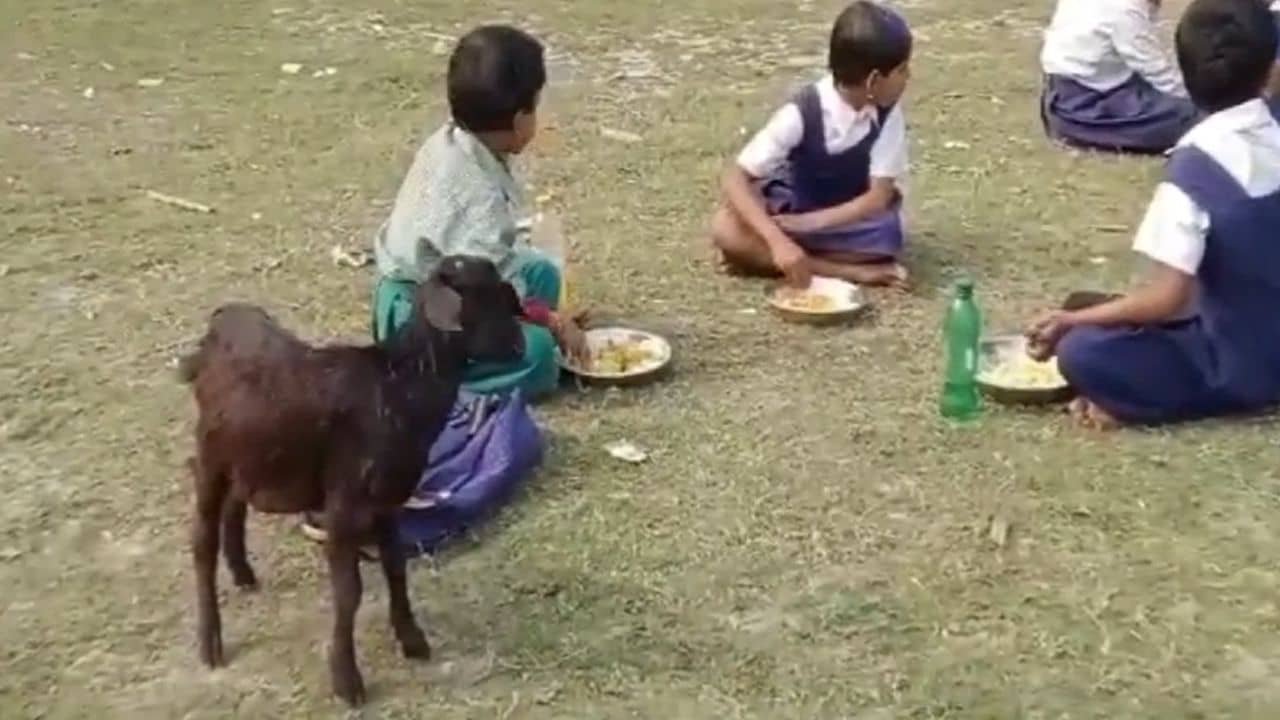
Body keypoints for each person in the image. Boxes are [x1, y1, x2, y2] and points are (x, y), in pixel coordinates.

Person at [1027, 0, 1280, 429]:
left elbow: (1167, 299)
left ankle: (1129, 402)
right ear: (1271, 69)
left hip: (1242, 364)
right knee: (1096, 308)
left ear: (1185, 70)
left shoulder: (1194, 167)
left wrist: (1071, 321)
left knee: (1081, 348)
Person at [372, 24, 587, 400]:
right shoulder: (477, 199)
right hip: (423, 315)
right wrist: (550, 321)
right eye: (535, 107)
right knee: (538, 356)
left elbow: (493, 264)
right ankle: (425, 377)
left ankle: (513, 338)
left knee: (541, 272)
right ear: (519, 121)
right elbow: (486, 293)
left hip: (452, 282)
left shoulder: (455, 139)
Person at [710, 0, 912, 288]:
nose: (908, 77)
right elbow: (735, 177)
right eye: (902, 70)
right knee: (726, 227)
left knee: (889, 234)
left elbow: (877, 197)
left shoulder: (888, 115)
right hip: (792, 210)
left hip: (840, 221)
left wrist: (809, 224)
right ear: (874, 81)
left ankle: (764, 258)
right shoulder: (803, 112)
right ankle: (848, 271)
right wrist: (777, 240)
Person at [1040, 0, 1200, 154]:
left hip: (1065, 91)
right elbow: (1156, 71)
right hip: (1088, 104)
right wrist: (1197, 100)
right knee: (1192, 117)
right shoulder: (1125, 9)